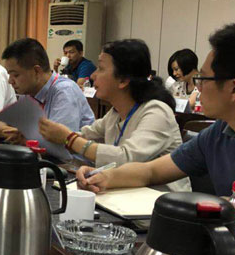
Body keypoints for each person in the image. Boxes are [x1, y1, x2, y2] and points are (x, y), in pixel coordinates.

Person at [77, 23, 235, 225]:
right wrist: (105, 177)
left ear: (233, 88)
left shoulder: (158, 111)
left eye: (202, 78)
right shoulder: (220, 132)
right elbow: (152, 171)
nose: (198, 88)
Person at [39, 38, 189, 191]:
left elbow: (126, 158)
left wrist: (70, 139)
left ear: (123, 80)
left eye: (101, 68)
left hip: (163, 200)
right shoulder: (116, 113)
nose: (93, 75)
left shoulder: (157, 112)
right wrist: (55, 135)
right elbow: (87, 135)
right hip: (125, 194)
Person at [0, 38, 94, 143]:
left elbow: (60, 144)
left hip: (70, 162)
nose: (10, 81)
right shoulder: (29, 92)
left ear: (36, 71)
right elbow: (23, 128)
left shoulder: (65, 91)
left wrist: (4, 131)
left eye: (15, 75)